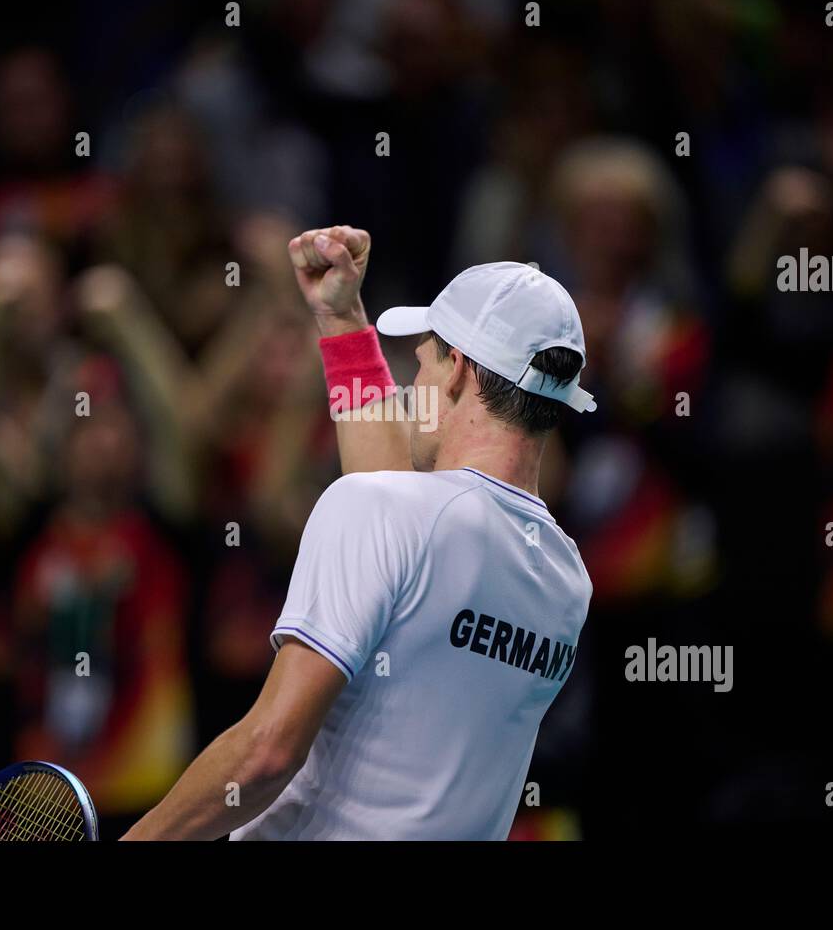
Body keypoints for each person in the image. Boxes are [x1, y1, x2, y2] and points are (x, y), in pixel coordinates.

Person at [124, 225, 594, 840]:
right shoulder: (567, 580)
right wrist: (340, 318)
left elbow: (266, 754)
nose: (413, 386)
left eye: (422, 364)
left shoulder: (382, 511)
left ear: (456, 371)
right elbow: (404, 506)